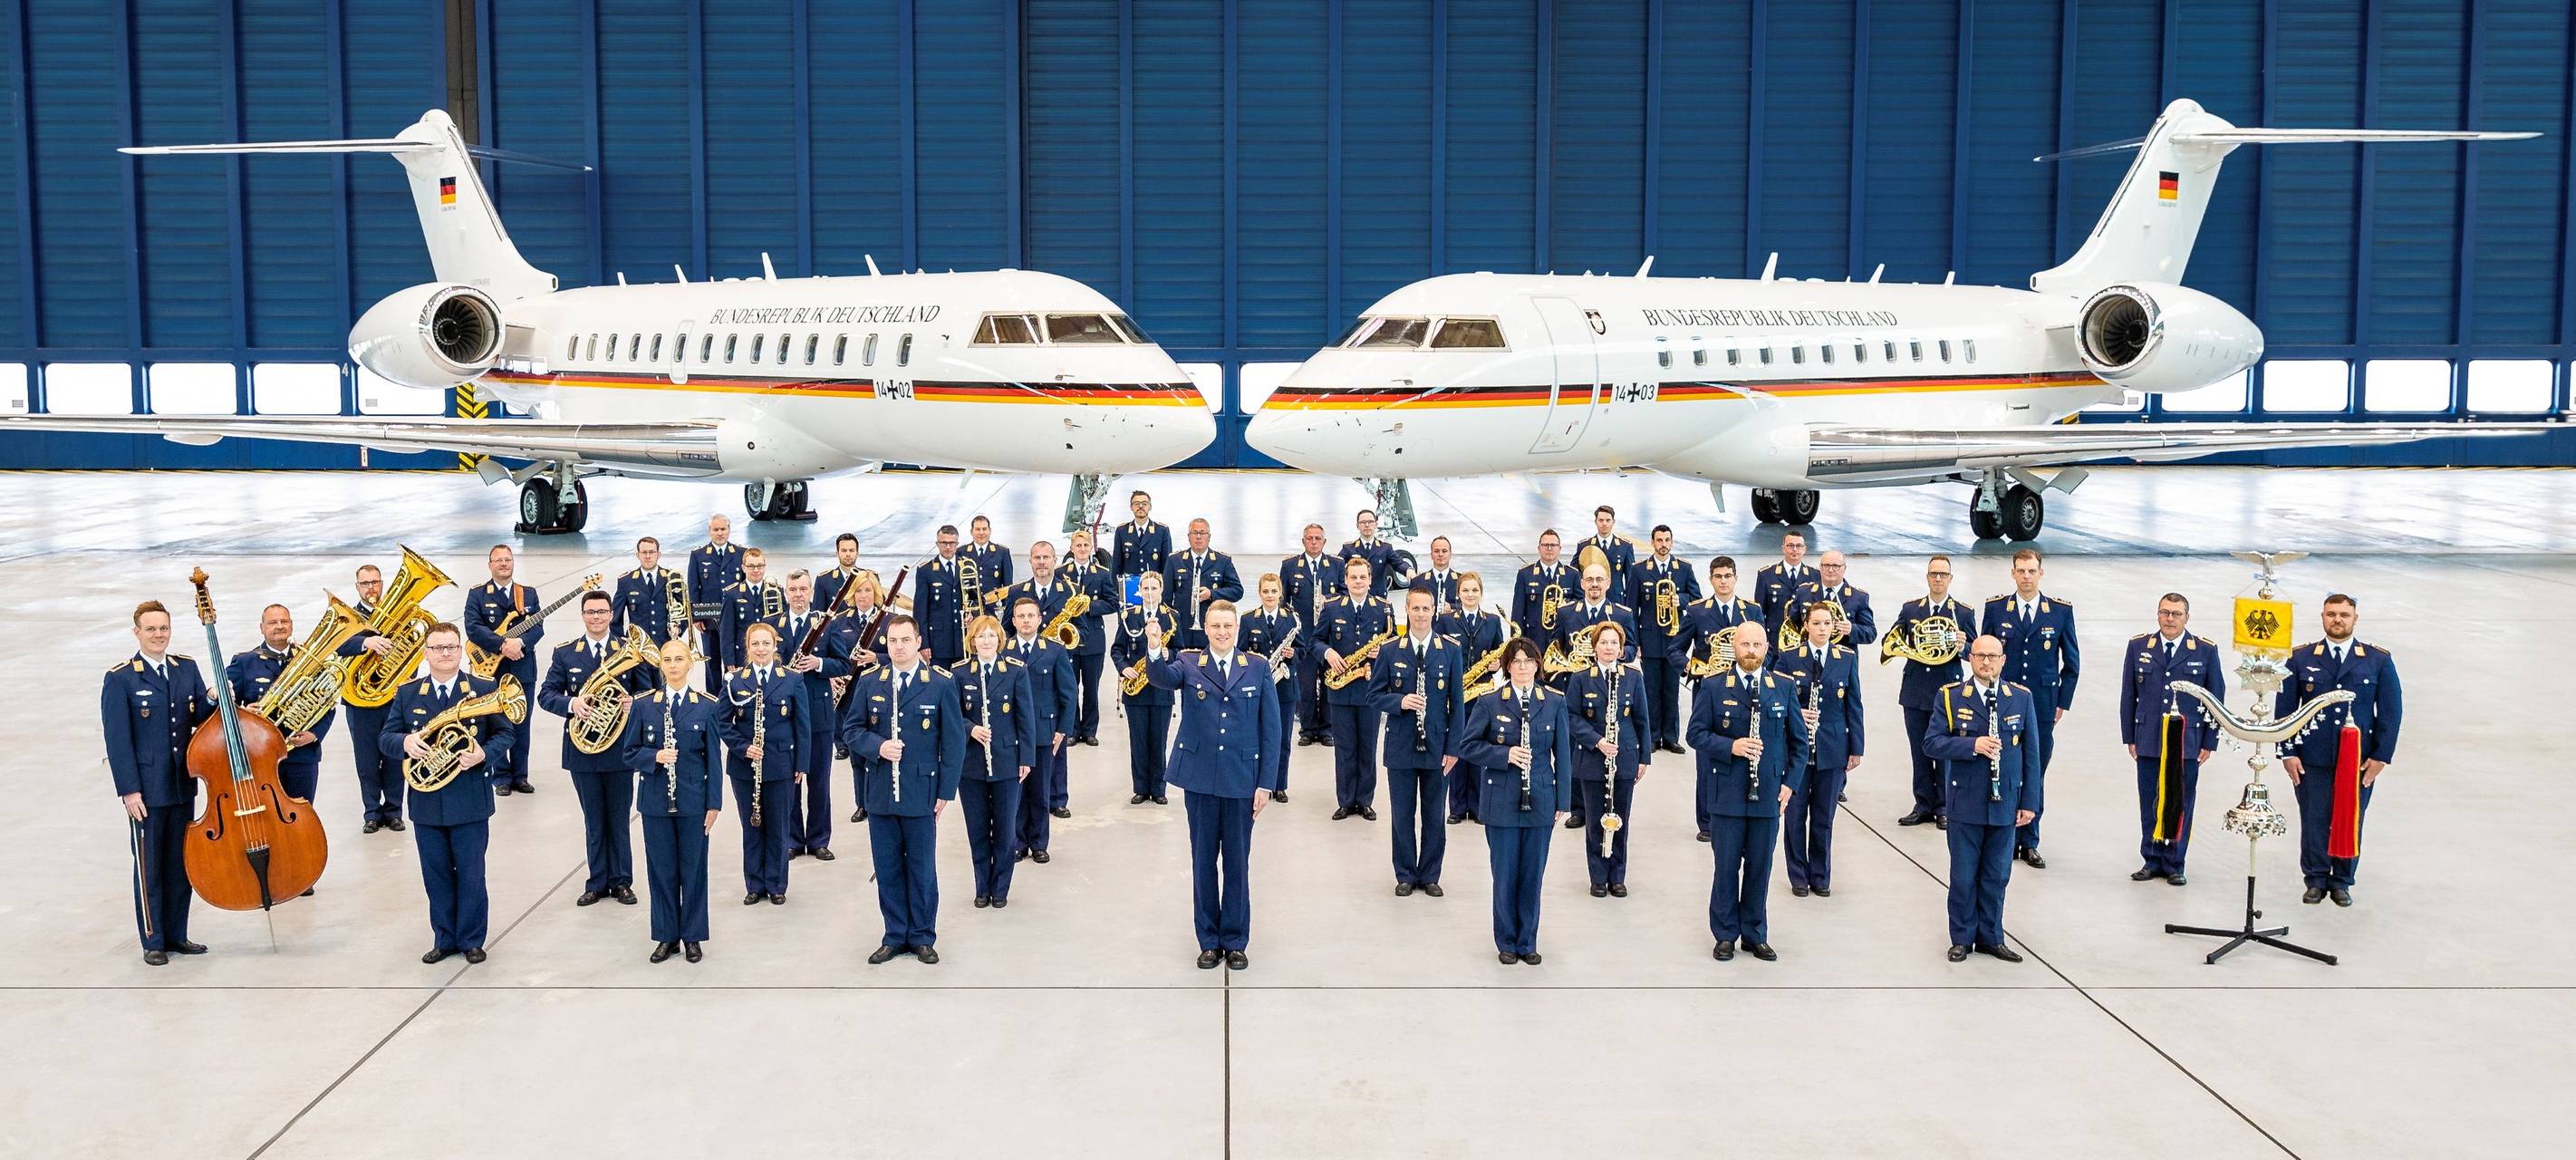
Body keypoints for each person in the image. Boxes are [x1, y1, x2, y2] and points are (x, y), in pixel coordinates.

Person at [1143, 601, 1280, 969]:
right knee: (1203, 861)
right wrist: (1155, 647)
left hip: (1241, 781)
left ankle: (1235, 940)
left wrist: (1266, 783)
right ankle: (1208, 939)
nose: (1222, 632)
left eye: (1228, 626)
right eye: (1216, 626)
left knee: (1237, 863)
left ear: (1237, 629)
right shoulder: (1189, 663)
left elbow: (1272, 730)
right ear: (1206, 628)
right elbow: (1161, 678)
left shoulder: (1257, 667)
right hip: (1201, 779)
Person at [383, 623, 515, 965]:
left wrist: (483, 754)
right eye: (438, 648)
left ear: (461, 651)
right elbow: (386, 738)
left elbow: (506, 734)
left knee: (472, 873)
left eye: (451, 647)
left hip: (469, 799)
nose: (445, 654)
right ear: (426, 653)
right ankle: (444, 938)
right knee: (436, 874)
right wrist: (405, 742)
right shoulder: (408, 693)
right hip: (427, 804)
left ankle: (471, 939)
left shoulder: (485, 688)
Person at [839, 615, 965, 964]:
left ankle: (923, 936)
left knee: (922, 868)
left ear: (918, 642)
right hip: (880, 791)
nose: (898, 647)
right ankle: (895, 934)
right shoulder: (869, 682)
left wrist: (946, 791)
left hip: (922, 791)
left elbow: (953, 742)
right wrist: (877, 747)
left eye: (905, 640)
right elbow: (851, 730)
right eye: (893, 641)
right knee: (888, 867)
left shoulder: (939, 683)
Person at [105, 600, 217, 965]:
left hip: (182, 785)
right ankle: (154, 941)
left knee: (179, 865)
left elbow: (197, 715)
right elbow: (118, 741)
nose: (158, 635)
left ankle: (178, 935)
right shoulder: (121, 678)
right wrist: (129, 790)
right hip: (147, 792)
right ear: (137, 632)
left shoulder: (186, 669)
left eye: (164, 628)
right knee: (150, 867)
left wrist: (214, 699)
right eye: (151, 629)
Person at [1689, 624, 1809, 962]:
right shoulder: (1713, 686)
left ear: (1767, 647)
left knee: (1760, 867)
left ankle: (1755, 934)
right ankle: (1725, 934)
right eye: (1745, 644)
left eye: (1757, 644)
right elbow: (1695, 734)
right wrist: (1732, 746)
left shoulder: (1782, 687)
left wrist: (1790, 784)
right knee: (1725, 867)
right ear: (1734, 647)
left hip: (1768, 795)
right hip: (1726, 794)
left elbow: (1799, 744)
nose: (1751, 650)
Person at [2278, 594, 2403, 907]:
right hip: (2312, 757)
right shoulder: (2301, 658)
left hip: (2357, 760)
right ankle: (2316, 879)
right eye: (2332, 614)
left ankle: (2342, 881)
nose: (2338, 620)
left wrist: (2380, 757)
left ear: (2355, 619)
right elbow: (2286, 710)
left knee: (2350, 817)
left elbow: (2390, 711)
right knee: (2314, 817)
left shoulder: (2377, 659)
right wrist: (2288, 752)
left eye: (2344, 615)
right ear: (2322, 617)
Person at [1454, 638, 1571, 964]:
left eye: (1529, 661)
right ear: (1508, 666)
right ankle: (1506, 941)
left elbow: (1562, 754)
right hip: (1501, 801)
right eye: (1516, 661)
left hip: (1541, 799)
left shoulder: (1554, 702)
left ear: (1538, 665)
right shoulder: (1490, 702)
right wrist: (1504, 754)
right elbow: (1468, 746)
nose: (1523, 667)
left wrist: (1563, 799)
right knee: (1504, 873)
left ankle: (1527, 942)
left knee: (1533, 875)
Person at [1924, 636, 2040, 963]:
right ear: (1969, 659)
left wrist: (2029, 801)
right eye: (1979, 656)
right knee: (1963, 876)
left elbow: (2032, 754)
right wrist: (1971, 746)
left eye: (1993, 656)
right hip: (1965, 801)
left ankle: (1992, 937)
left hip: (2006, 802)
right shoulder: (1950, 697)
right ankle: (1962, 938)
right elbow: (1931, 743)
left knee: (1997, 875)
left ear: (2003, 660)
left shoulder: (2020, 698)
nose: (1986, 662)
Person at [536, 591, 647, 908]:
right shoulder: (566, 653)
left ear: (612, 614)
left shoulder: (628, 650)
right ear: (582, 616)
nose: (596, 617)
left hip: (620, 749)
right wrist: (572, 703)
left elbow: (650, 691)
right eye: (590, 612)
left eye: (602, 611)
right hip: (582, 749)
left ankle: (622, 881)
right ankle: (597, 881)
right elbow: (546, 695)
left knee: (619, 818)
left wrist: (634, 702)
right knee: (594, 820)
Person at [624, 637, 722, 963]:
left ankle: (693, 936)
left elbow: (713, 761)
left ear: (690, 664)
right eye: (667, 660)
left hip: (694, 801)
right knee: (661, 870)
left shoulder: (707, 705)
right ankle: (667, 936)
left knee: (694, 870)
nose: (673, 666)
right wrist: (655, 756)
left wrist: (714, 804)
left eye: (679, 659)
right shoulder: (643, 705)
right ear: (660, 665)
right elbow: (629, 753)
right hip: (655, 803)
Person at [2118, 594, 2224, 886]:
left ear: (2186, 618)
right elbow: (2129, 695)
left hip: (2186, 743)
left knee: (2180, 801)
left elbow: (2216, 698)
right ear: (2158, 614)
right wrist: (2130, 735)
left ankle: (2175, 862)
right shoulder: (2139, 646)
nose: (2170, 619)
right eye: (2165, 612)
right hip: (2149, 738)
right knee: (2150, 799)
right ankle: (2151, 858)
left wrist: (2209, 741)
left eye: (2176, 614)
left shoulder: (2204, 650)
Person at [1982, 548, 2078, 864]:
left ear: (2041, 573)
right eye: (2020, 571)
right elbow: (1985, 655)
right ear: (2012, 573)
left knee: (2035, 771)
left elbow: (2071, 663)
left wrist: (2062, 701)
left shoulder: (2059, 612)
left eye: (2031, 571)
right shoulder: (1996, 609)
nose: (2026, 576)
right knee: (2007, 770)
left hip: (2042, 706)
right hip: (2005, 704)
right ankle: (2007, 839)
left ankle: (2031, 839)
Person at [1370, 585, 1463, 896]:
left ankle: (1431, 874)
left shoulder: (1450, 651)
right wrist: (1400, 702)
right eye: (1415, 608)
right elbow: (1374, 696)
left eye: (1426, 609)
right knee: (1402, 812)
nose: (1421, 614)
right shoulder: (1390, 650)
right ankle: (1406, 873)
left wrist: (1454, 749)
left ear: (1434, 611)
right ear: (1406, 611)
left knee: (1435, 813)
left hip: (1437, 747)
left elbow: (1458, 703)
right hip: (1401, 746)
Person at [1772, 604, 1864, 898]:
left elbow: (1854, 704)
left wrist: (1856, 748)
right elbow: (1774, 700)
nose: (1822, 628)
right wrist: (1798, 711)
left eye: (1827, 623)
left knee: (1824, 818)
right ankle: (1798, 876)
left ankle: (1821, 876)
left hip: (1832, 749)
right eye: (1817, 623)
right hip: (1797, 752)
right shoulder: (1788, 658)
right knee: (1796, 817)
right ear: (1806, 626)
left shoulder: (1846, 658)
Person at [1674, 556, 1761, 843]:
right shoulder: (1698, 611)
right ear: (1710, 580)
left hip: (1747, 692)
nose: (1723, 581)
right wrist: (1691, 668)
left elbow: (1765, 651)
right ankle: (1707, 821)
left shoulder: (1751, 611)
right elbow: (1675, 650)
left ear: (1736, 578)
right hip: (1709, 693)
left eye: (1728, 575)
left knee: (1745, 751)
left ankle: (1742, 809)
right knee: (1708, 757)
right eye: (1718, 576)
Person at [1565, 620, 1650, 897]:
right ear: (1595, 647)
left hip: (1624, 757)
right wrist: (1597, 741)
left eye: (1614, 643)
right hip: (1592, 758)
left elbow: (1642, 720)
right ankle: (1598, 876)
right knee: (1595, 820)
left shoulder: (1633, 677)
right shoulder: (1580, 678)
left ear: (1622, 648)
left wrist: (1643, 758)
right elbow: (1572, 718)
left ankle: (1618, 875)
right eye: (1604, 642)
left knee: (1620, 818)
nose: (1609, 648)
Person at [1893, 556, 1978, 829]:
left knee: (1943, 752)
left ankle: (1944, 807)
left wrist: (1963, 645)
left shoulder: (1963, 613)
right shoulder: (1911, 610)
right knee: (1919, 751)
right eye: (1933, 574)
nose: (1938, 579)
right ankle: (1923, 804)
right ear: (1927, 577)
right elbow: (1890, 640)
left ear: (1950, 578)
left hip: (1947, 692)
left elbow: (1975, 654)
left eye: (1943, 574)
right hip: (1916, 689)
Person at [722, 622, 805, 905]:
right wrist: (743, 748)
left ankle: (776, 884)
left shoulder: (792, 679)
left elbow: (801, 725)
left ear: (775, 646)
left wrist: (802, 764)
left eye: (766, 644)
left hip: (782, 763)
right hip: (745, 767)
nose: (761, 649)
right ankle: (754, 884)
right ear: (748, 648)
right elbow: (722, 722)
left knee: (779, 826)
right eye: (755, 644)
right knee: (752, 825)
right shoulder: (734, 680)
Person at [956, 614, 1035, 908]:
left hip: (1006, 762)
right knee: (977, 829)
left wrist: (1026, 757)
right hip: (972, 765)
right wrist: (970, 729)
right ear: (972, 641)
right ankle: (982, 886)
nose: (986, 641)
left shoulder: (1015, 671)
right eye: (980, 636)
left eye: (991, 636)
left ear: (999, 640)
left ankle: (1000, 888)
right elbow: (952, 718)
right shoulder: (960, 673)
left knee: (1004, 830)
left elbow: (1025, 718)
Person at [226, 603, 334, 807]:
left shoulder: (309, 659)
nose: (279, 626)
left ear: (291, 625)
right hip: (259, 756)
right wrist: (244, 713)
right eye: (273, 622)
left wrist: (314, 734)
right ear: (262, 627)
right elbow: (225, 704)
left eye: (284, 621)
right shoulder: (244, 662)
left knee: (302, 815)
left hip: (302, 756)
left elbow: (327, 703)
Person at [1313, 556, 1394, 820]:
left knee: (1367, 747)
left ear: (1370, 580)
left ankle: (1365, 800)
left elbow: (1395, 644)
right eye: (1353, 577)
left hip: (1371, 689)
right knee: (1345, 748)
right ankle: (1346, 800)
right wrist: (1328, 654)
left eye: (1363, 577)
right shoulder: (1332, 607)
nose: (1358, 582)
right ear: (1345, 580)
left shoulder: (1383, 609)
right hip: (1340, 690)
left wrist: (1383, 652)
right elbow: (1315, 641)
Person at [777, 571, 845, 861]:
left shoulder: (826, 624)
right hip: (785, 716)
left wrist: (818, 663)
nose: (798, 594)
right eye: (793, 589)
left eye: (803, 589)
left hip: (818, 713)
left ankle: (818, 839)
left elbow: (843, 663)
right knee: (789, 779)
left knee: (819, 780)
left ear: (811, 593)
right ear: (785, 592)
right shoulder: (773, 625)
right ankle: (793, 839)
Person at [462, 544, 541, 796]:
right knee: (495, 721)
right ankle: (501, 776)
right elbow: (473, 628)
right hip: (490, 672)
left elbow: (538, 627)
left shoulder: (527, 594)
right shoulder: (477, 594)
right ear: (490, 565)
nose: (504, 564)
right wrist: (503, 645)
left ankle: (521, 775)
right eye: (498, 561)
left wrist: (522, 643)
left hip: (522, 667)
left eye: (508, 560)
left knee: (522, 722)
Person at [1006, 595, 1076, 864]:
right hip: (1013, 734)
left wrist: (1062, 730)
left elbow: (1068, 695)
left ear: (1039, 619)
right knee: (1017, 792)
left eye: (1030, 616)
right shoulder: (1005, 650)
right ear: (1013, 621)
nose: (1025, 621)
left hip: (1044, 732)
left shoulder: (1055, 650)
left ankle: (1039, 843)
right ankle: (1018, 842)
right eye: (1020, 616)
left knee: (1040, 790)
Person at [1437, 572, 1508, 824]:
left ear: (1481, 593)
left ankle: (1477, 806)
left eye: (1474, 591)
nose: (1470, 595)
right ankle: (1457, 807)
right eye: (1465, 591)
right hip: (1455, 692)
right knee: (1456, 745)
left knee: (1478, 747)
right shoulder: (1445, 621)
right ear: (1458, 594)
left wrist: (1496, 664)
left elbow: (1502, 656)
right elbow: (1438, 652)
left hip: (1483, 693)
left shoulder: (1491, 621)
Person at [341, 563, 405, 833]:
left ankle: (394, 812)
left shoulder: (397, 614)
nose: (371, 588)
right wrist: (365, 643)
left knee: (393, 756)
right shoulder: (347, 616)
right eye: (365, 583)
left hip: (391, 698)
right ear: (357, 587)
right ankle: (371, 812)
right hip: (359, 701)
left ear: (382, 584)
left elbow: (410, 646)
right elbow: (336, 646)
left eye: (375, 582)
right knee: (366, 760)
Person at [1626, 525, 1700, 755]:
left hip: (1675, 643)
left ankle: (1670, 737)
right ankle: (1652, 737)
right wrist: (1634, 641)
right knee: (1650, 691)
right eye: (1659, 540)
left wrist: (1682, 600)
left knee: (1671, 691)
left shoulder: (1684, 569)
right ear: (1652, 542)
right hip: (1648, 641)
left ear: (1672, 542)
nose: (1663, 544)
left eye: (1667, 540)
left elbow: (1697, 599)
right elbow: (1631, 609)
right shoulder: (1639, 570)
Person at [1112, 571, 1181, 804]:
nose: (1150, 593)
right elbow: (1117, 649)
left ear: (1161, 591)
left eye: (1154, 588)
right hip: (1135, 690)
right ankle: (1141, 788)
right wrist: (1123, 668)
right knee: (1138, 740)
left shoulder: (1171, 617)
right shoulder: (1129, 617)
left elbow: (1182, 651)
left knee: (1159, 741)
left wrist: (1168, 653)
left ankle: (1159, 789)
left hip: (1162, 690)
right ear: (1139, 591)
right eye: (1146, 588)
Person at [1239, 575, 1302, 805]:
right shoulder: (1248, 620)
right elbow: (1241, 655)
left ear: (1280, 593)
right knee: (1256, 737)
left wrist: (1293, 655)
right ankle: (1257, 781)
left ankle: (1279, 784)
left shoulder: (1292, 619)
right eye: (1266, 591)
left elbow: (1302, 650)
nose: (1270, 596)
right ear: (1259, 593)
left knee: (1283, 740)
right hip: (1257, 687)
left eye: (1274, 592)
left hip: (1285, 688)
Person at [1278, 523, 1344, 747]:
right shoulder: (1289, 566)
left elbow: (1345, 595)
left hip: (1329, 638)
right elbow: (1283, 601)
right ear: (1303, 541)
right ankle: (1307, 729)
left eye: (1318, 538)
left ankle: (1327, 729)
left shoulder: (1336, 564)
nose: (1314, 542)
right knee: (1304, 686)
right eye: (1310, 538)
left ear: (1324, 542)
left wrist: (1331, 601)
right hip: (1303, 638)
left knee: (1328, 683)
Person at [1059, 528, 1119, 749]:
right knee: (1070, 687)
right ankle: (1072, 730)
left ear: (1091, 548)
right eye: (1078, 545)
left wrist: (1087, 606)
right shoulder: (1061, 573)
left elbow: (1113, 602)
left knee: (1092, 688)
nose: (1082, 549)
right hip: (1068, 639)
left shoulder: (1102, 574)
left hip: (1093, 639)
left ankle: (1090, 730)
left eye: (1086, 545)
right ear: (1072, 548)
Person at [1163, 517, 1245, 652]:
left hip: (1212, 631)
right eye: (1195, 533)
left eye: (1202, 533)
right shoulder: (1174, 560)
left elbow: (1237, 591)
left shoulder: (1222, 561)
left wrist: (1212, 594)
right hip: (1181, 630)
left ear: (1209, 537)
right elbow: (1165, 599)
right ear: (1188, 537)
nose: (1199, 537)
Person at [688, 516, 745, 688]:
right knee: (712, 661)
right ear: (709, 531)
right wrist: (696, 617)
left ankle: (732, 698)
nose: (720, 533)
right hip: (709, 618)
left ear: (729, 530)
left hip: (734, 617)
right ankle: (713, 702)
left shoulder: (741, 553)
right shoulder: (698, 555)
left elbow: (744, 585)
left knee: (733, 661)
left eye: (723, 529)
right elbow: (693, 587)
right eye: (716, 530)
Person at [1784, 550, 1878, 646]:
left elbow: (1871, 633)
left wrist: (1851, 629)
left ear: (1844, 568)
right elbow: (1791, 625)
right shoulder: (1804, 592)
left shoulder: (1858, 597)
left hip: (1842, 658)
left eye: (1836, 566)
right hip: (1808, 656)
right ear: (1820, 567)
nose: (1830, 570)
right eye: (1826, 565)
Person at [613, 536, 688, 646]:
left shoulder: (672, 577)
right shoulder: (626, 581)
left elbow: (686, 609)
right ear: (638, 555)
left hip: (665, 643)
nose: (648, 556)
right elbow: (615, 618)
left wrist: (679, 628)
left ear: (659, 554)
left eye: (652, 552)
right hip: (638, 647)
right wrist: (621, 642)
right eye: (644, 552)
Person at [719, 547, 785, 670]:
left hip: (770, 654)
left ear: (765, 567)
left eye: (760, 566)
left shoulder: (775, 591)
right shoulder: (732, 594)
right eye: (751, 566)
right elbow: (726, 631)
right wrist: (729, 660)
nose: (756, 570)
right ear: (743, 568)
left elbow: (783, 626)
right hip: (742, 656)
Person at [912, 524, 969, 667]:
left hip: (964, 641)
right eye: (944, 543)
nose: (948, 547)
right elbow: (920, 612)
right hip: (938, 644)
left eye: (952, 543)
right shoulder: (926, 571)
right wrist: (923, 643)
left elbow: (975, 600)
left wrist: (972, 614)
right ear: (937, 544)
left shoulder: (967, 567)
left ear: (957, 544)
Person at [1510, 529, 1574, 643]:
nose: (1549, 548)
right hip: (1534, 639)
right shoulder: (1525, 574)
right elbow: (1517, 613)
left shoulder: (1572, 574)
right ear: (1539, 548)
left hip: (1562, 640)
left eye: (1553, 545)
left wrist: (1567, 605)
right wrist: (1516, 643)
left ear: (1560, 548)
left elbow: (1580, 606)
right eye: (1545, 545)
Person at [1753, 531, 1817, 638]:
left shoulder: (1815, 576)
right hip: (1774, 639)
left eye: (1799, 546)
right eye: (1790, 546)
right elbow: (1759, 613)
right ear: (1783, 548)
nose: (1795, 549)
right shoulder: (1766, 575)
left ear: (1804, 549)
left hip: (1804, 639)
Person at [1582, 505, 1637, 606]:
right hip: (1591, 600)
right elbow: (1577, 576)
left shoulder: (1625, 547)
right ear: (1595, 522)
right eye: (1601, 520)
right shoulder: (1584, 546)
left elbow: (1631, 580)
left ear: (1613, 522)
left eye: (1608, 520)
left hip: (1616, 601)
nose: (1604, 524)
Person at [1111, 489, 1172, 583]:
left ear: (1150, 507)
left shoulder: (1162, 531)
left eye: (1144, 503)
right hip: (1130, 586)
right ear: (1131, 507)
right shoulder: (1122, 531)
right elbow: (1116, 566)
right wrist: (1117, 593)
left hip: (1153, 587)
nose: (1140, 506)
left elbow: (1167, 566)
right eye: (1136, 503)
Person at [1341, 508, 1403, 597]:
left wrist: (1409, 571)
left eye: (1370, 522)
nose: (1367, 525)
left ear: (1376, 525)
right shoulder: (1349, 549)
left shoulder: (1385, 548)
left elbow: (1399, 564)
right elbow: (1337, 566)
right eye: (1363, 522)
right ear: (1357, 526)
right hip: (1356, 597)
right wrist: (1344, 589)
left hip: (1378, 599)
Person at [813, 532, 866, 613]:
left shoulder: (868, 577)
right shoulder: (824, 581)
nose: (848, 554)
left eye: (851, 550)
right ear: (837, 553)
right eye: (844, 551)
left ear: (857, 553)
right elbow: (818, 615)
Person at [960, 514, 1014, 591]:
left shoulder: (1002, 552)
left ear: (990, 531)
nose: (981, 533)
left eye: (984, 529)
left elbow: (1008, 585)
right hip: (971, 602)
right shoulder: (961, 552)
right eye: (978, 529)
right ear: (971, 532)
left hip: (994, 602)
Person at [1416, 536, 1461, 614]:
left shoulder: (1462, 580)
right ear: (1431, 555)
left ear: (1450, 554)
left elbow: (1472, 606)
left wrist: (1452, 607)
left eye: (1444, 551)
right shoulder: (1418, 582)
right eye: (1436, 551)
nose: (1440, 554)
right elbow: (1412, 612)